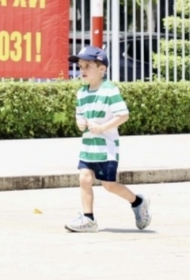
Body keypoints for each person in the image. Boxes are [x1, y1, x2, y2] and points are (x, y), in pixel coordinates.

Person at [64, 45, 151, 232]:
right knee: (84, 179)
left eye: (88, 66)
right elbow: (79, 114)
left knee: (109, 185)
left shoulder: (110, 90)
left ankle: (138, 202)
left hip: (106, 148)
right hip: (88, 146)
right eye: (80, 66)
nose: (82, 70)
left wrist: (102, 128)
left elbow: (123, 115)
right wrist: (80, 122)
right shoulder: (81, 93)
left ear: (102, 68)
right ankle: (88, 219)